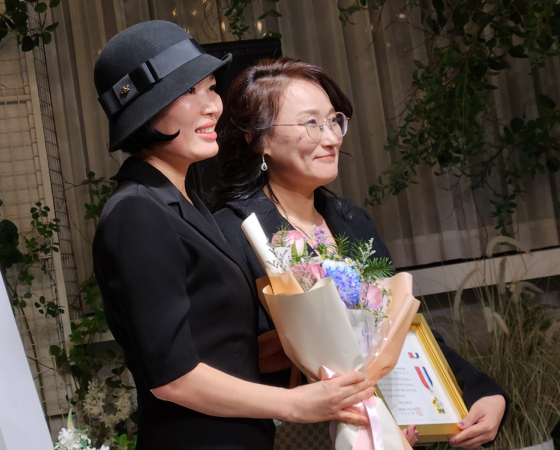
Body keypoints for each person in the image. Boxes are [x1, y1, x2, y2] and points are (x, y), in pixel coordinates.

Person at [92, 23, 375, 450]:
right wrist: (295, 404)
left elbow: (217, 343)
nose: (213, 107)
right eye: (190, 92)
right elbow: (173, 378)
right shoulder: (137, 212)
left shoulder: (184, 204)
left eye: (211, 88)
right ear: (147, 110)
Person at [213, 57, 509, 450]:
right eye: (311, 123)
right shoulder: (232, 233)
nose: (332, 138)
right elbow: (223, 364)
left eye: (333, 120)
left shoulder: (352, 222)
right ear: (260, 139)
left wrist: (480, 390)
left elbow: (403, 329)